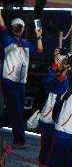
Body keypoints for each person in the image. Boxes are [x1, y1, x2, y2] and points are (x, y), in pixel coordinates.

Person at [1, 13, 43, 147]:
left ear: (24, 29)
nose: (18, 29)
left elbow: (40, 50)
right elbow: (2, 27)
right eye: (16, 26)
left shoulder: (27, 44)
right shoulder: (7, 40)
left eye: (21, 27)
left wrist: (39, 36)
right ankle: (19, 141)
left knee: (16, 111)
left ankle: (17, 138)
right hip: (9, 81)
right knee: (16, 111)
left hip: (21, 83)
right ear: (12, 28)